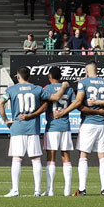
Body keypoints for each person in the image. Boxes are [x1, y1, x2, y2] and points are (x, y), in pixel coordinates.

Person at [57, 61, 104, 196]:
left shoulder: (83, 82)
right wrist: (100, 109)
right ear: (97, 70)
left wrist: (63, 112)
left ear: (87, 71)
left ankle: (82, 189)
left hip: (88, 122)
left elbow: (77, 102)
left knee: (84, 155)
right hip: (101, 124)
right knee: (103, 156)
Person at [0, 66, 45, 197]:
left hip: (18, 128)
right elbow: (48, 101)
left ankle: (15, 189)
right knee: (35, 159)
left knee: (17, 159)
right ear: (29, 76)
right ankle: (38, 190)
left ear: (18, 77)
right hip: (33, 128)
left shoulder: (12, 89)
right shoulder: (37, 89)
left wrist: (6, 120)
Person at [39, 67, 74, 197]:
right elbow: (76, 102)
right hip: (65, 126)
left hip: (52, 126)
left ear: (49, 76)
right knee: (66, 157)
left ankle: (50, 190)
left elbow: (43, 105)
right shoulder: (69, 89)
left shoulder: (47, 88)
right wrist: (65, 111)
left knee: (51, 157)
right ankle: (67, 190)